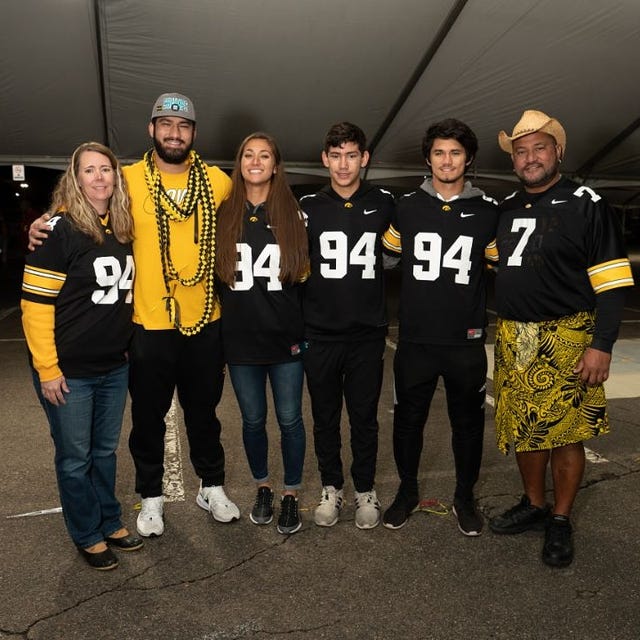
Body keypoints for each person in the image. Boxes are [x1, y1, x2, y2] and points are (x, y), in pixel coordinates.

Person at [29, 93, 239, 537]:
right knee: (148, 417)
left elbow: (256, 204)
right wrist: (45, 221)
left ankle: (212, 486)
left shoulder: (218, 182)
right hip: (147, 323)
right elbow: (86, 197)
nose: (174, 133)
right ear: (151, 130)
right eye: (165, 125)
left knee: (204, 412)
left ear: (193, 133)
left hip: (204, 320)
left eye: (182, 127)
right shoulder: (127, 178)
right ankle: (151, 497)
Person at [489, 110, 634, 567]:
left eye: (539, 148)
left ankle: (560, 518)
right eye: (521, 151)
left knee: (568, 434)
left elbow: (612, 282)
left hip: (568, 336)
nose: (530, 158)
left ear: (558, 152)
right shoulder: (507, 207)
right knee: (525, 430)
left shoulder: (586, 202)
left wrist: (602, 344)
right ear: (514, 160)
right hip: (515, 336)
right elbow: (500, 265)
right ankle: (534, 504)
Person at [21, 142, 143, 570]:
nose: (98, 177)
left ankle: (109, 521)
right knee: (75, 458)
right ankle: (87, 533)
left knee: (105, 452)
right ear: (75, 178)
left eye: (105, 169)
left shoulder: (122, 226)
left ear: (115, 177)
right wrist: (48, 369)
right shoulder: (58, 228)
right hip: (69, 371)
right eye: (88, 170)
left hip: (113, 365)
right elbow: (34, 306)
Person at [381, 119, 499, 535]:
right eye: (438, 152)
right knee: (407, 421)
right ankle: (407, 492)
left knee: (467, 424)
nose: (446, 160)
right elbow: (388, 258)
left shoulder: (489, 212)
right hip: (415, 340)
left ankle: (463, 497)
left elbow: (499, 264)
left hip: (465, 342)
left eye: (454, 152)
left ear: (468, 159)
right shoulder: (407, 206)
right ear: (427, 159)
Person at [300, 122, 395, 529]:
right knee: (324, 417)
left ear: (365, 158)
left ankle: (365, 490)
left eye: (351, 155)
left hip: (366, 334)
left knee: (364, 418)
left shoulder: (387, 202)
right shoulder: (307, 205)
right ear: (325, 159)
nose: (343, 164)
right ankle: (330, 487)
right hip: (319, 332)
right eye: (335, 155)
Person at [215, 133, 309, 534]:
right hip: (240, 340)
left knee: (289, 419)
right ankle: (263, 486)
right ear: (240, 163)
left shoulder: (295, 212)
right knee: (253, 421)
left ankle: (290, 493)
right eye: (248, 154)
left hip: (284, 339)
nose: (256, 161)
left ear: (276, 164)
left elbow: (306, 276)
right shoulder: (223, 212)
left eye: (264, 155)